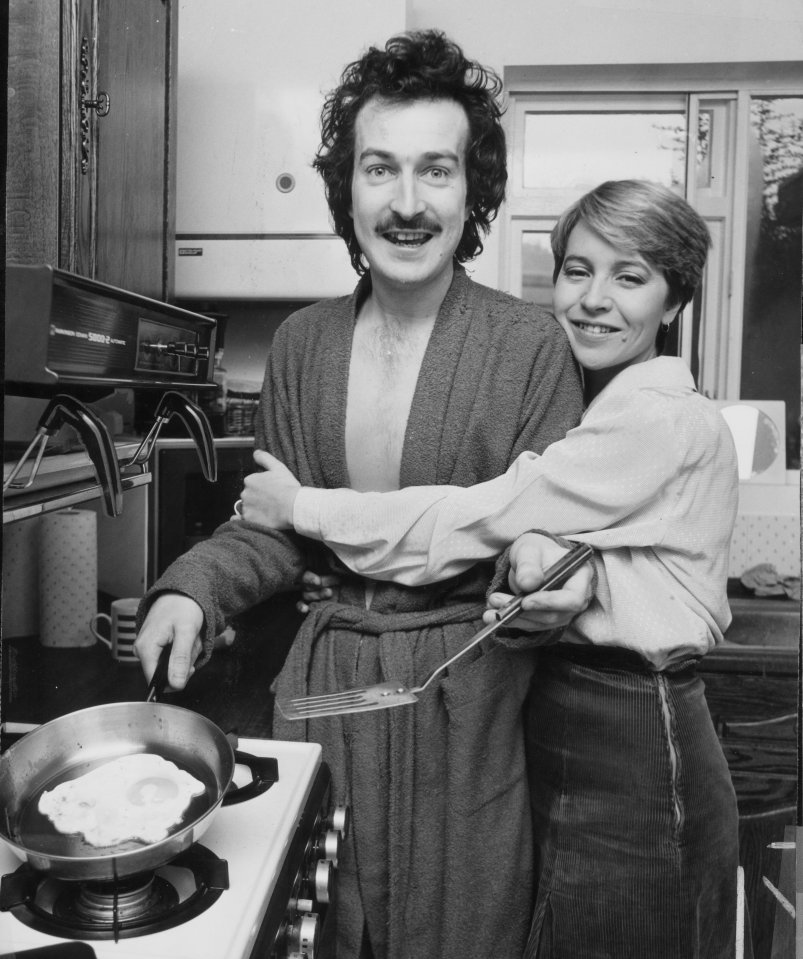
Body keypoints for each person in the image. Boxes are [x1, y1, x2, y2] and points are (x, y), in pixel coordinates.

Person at [135, 30, 587, 959]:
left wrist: (545, 575)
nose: (409, 202)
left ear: (473, 193)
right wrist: (191, 587)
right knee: (314, 926)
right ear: (347, 189)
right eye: (381, 169)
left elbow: (544, 540)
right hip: (326, 695)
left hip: (463, 702)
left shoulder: (529, 349)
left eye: (437, 171)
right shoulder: (304, 345)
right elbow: (271, 528)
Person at [234, 179, 742, 958]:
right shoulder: (601, 412)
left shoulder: (660, 419)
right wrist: (546, 562)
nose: (593, 299)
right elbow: (545, 534)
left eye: (629, 276)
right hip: (571, 719)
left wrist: (300, 508)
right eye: (577, 270)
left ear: (673, 303)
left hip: (636, 739)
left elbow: (472, 515)